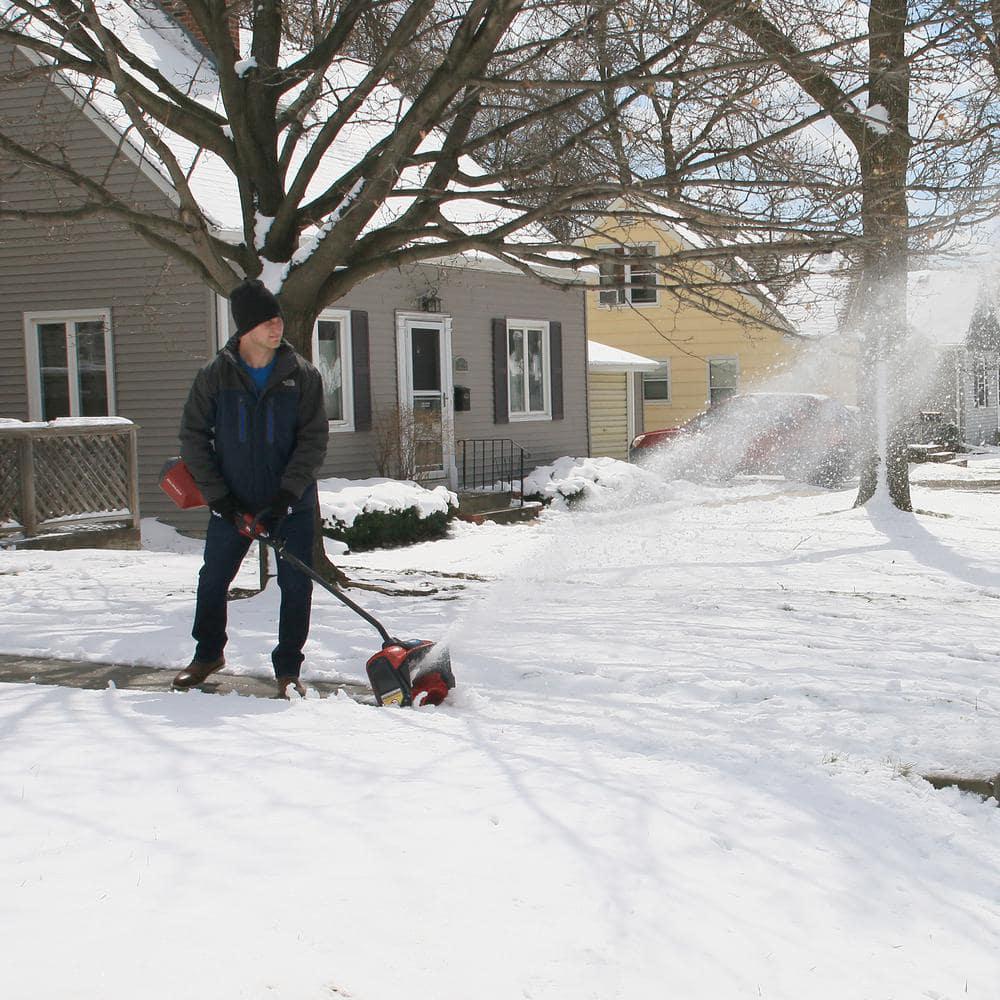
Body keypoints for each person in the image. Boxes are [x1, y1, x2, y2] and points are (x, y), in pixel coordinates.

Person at [172, 279, 328, 697]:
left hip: (290, 504)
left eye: (278, 320)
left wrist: (286, 496)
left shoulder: (301, 375)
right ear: (245, 329)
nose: (276, 328)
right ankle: (208, 654)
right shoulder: (215, 376)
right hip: (232, 502)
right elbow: (193, 437)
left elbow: (313, 440)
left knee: (295, 585)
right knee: (213, 579)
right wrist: (219, 497)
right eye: (266, 322)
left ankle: (288, 669)